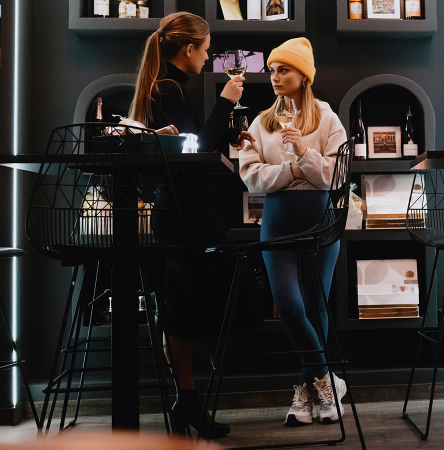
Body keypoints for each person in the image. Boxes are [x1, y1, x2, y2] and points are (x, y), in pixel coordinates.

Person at [128, 11, 254, 438]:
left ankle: (188, 402)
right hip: (185, 215)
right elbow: (192, 150)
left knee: (180, 310)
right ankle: (189, 402)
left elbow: (193, 144)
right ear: (187, 49)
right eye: (205, 49)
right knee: (194, 307)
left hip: (179, 213)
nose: (207, 57)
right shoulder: (169, 90)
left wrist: (227, 134)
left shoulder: (166, 88)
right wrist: (226, 102)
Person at [238, 37, 348, 427]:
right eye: (271, 70)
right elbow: (251, 177)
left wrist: (303, 152)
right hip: (278, 224)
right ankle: (328, 380)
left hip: (322, 225)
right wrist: (294, 170)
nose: (274, 77)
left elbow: (338, 176)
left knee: (316, 307)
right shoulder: (261, 122)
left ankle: (304, 394)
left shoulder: (327, 119)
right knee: (288, 306)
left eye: (283, 69)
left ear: (304, 75)